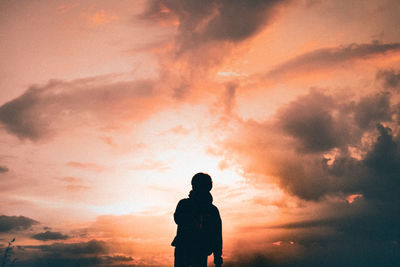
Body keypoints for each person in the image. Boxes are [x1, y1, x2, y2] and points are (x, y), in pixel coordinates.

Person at [172, 173, 223, 267]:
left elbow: (217, 234)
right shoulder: (211, 210)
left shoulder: (184, 204)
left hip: (193, 250)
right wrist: (217, 257)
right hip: (191, 250)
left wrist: (218, 257)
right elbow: (217, 235)